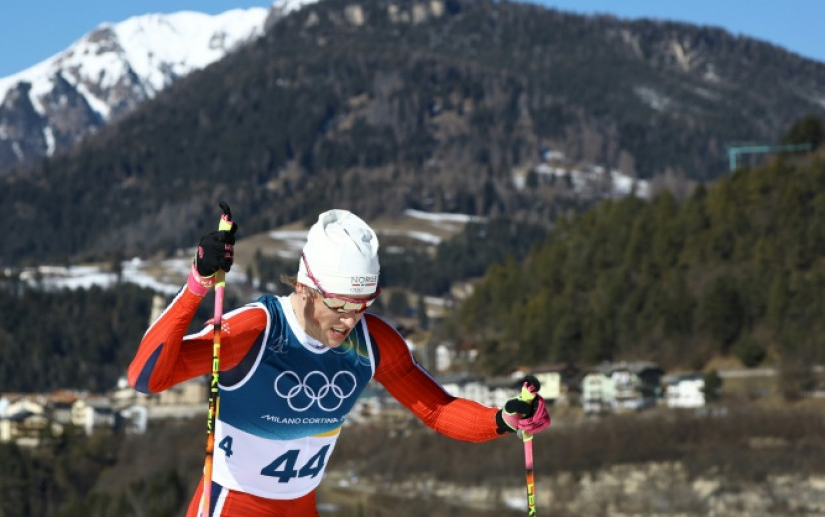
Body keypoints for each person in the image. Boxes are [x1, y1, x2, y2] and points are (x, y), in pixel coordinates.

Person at [128, 209, 551, 517]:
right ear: (307, 286)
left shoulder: (372, 342)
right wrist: (197, 285)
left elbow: (439, 410)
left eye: (363, 306)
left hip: (301, 505)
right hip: (233, 504)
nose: (350, 319)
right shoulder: (258, 329)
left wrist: (503, 419)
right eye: (339, 305)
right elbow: (147, 377)